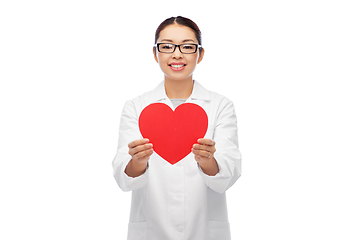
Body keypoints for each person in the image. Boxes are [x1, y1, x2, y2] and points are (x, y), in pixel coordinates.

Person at [112, 16, 241, 240]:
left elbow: (229, 173)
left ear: (200, 54)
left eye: (187, 46)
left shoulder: (220, 106)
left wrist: (207, 161)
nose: (177, 53)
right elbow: (123, 177)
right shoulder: (136, 107)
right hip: (152, 229)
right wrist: (138, 162)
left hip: (203, 231)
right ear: (155, 53)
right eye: (167, 46)